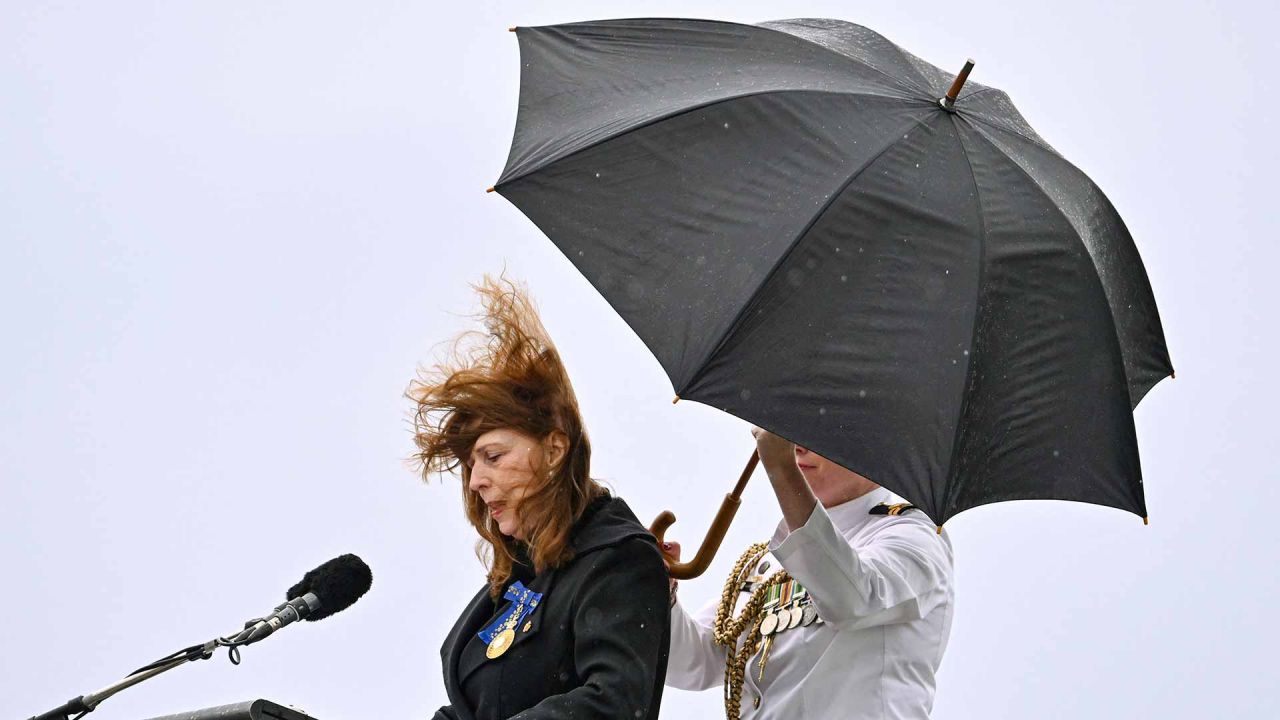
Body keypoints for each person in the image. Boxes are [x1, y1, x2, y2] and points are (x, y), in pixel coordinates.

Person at [410, 276, 670, 720]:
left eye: (493, 457)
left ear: (554, 450)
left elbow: (614, 702)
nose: (476, 482)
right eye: (471, 465)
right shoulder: (521, 574)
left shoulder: (619, 559)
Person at [665, 428, 955, 719]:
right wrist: (660, 587)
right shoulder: (769, 562)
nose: (797, 446)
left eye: (821, 432)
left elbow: (851, 599)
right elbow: (694, 662)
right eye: (792, 430)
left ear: (873, 445)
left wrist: (783, 471)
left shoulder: (915, 537)